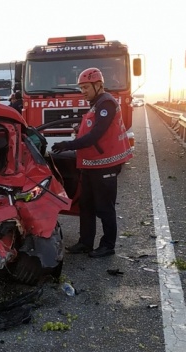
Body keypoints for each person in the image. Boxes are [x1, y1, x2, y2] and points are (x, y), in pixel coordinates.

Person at [51, 67, 133, 258]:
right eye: (81, 87)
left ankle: (108, 245)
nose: (83, 91)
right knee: (85, 206)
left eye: (86, 87)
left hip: (105, 164)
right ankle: (85, 242)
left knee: (104, 207)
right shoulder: (97, 104)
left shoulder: (106, 104)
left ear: (98, 85)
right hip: (91, 164)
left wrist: (68, 144)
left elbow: (96, 135)